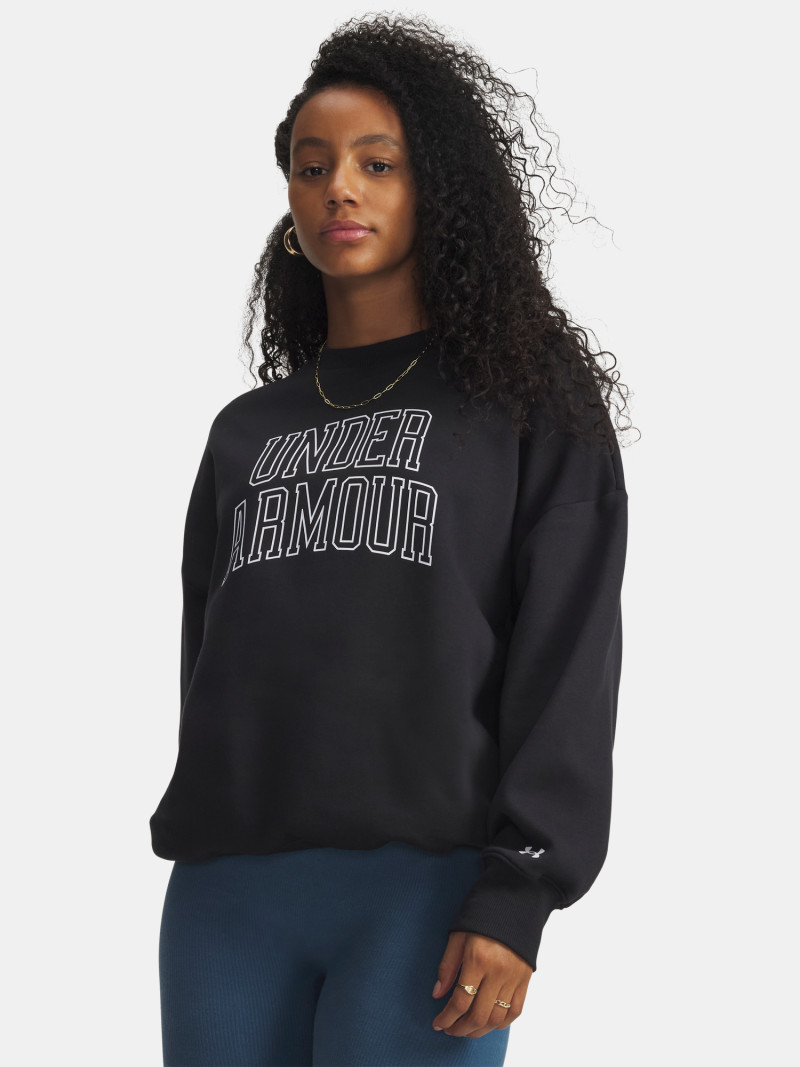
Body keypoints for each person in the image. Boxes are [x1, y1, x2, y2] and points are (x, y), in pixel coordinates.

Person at [149, 12, 635, 1067]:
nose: (341, 189)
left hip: (427, 893)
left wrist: (520, 886)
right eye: (312, 165)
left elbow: (568, 649)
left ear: (436, 189)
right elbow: (207, 658)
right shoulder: (244, 432)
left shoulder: (526, 403)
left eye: (378, 163)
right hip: (224, 898)